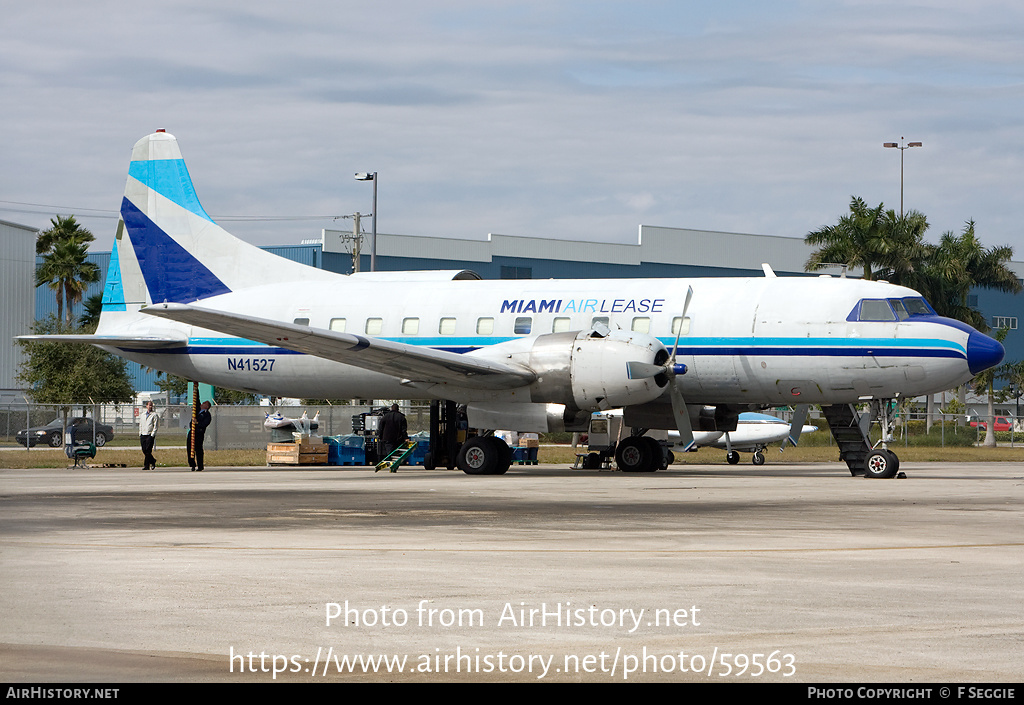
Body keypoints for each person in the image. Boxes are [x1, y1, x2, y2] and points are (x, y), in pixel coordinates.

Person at [187, 401, 212, 472]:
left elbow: (204, 424)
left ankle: (200, 466)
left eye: (204, 403)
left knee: (198, 450)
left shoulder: (207, 415)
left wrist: (197, 423)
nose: (202, 404)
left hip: (199, 434)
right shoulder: (197, 411)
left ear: (207, 407)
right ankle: (192, 464)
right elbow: (197, 402)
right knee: (190, 449)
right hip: (192, 432)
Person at [139, 401, 161, 470]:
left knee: (148, 450)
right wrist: (140, 433)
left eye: (151, 405)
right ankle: (153, 460)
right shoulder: (142, 415)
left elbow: (156, 425)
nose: (150, 407)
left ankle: (146, 465)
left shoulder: (154, 415)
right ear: (146, 406)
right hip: (143, 434)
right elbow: (141, 424)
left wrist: (152, 434)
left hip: (149, 434)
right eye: (149, 405)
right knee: (144, 450)